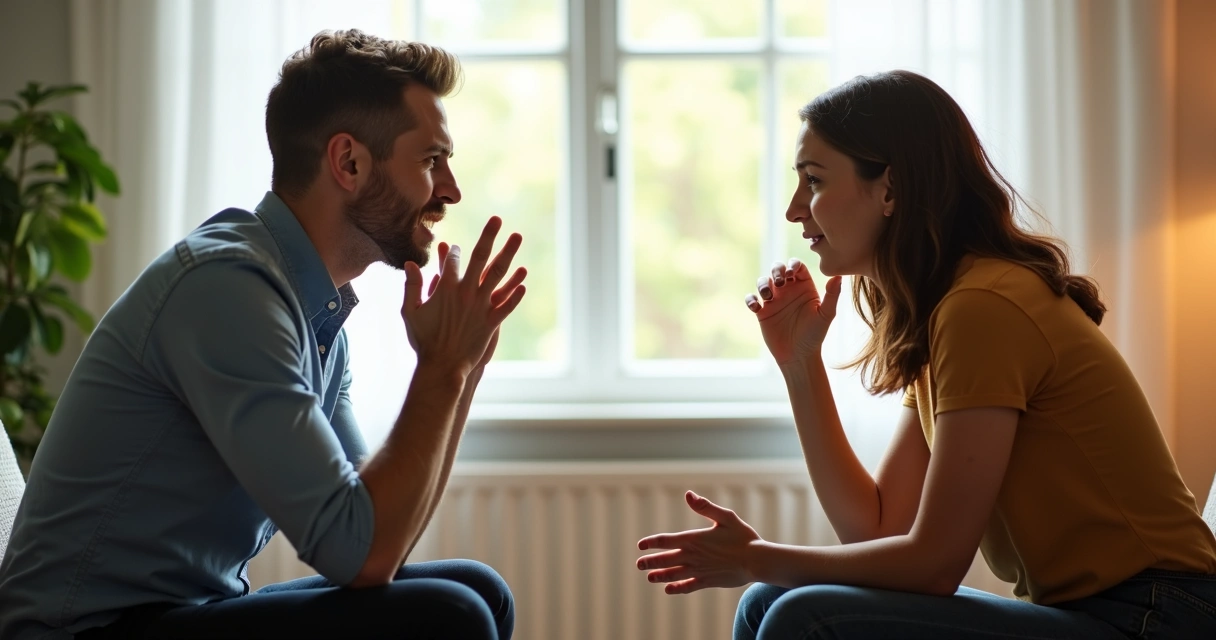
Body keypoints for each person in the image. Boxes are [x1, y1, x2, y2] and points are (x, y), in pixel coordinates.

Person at [635, 70, 1216, 639]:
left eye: (813, 181)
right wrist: (800, 363)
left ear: (890, 190)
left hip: (1158, 615)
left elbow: (935, 566)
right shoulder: (947, 310)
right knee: (771, 599)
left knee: (802, 614)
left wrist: (756, 556)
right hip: (1101, 613)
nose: (794, 209)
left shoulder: (983, 307)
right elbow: (875, 530)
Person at [0, 30, 525, 639]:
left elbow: (380, 534)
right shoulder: (228, 288)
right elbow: (359, 551)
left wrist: (462, 370)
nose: (451, 189)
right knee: (455, 615)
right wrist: (441, 368)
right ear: (349, 163)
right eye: (432, 161)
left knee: (481, 590)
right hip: (86, 630)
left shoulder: (316, 320)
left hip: (186, 610)